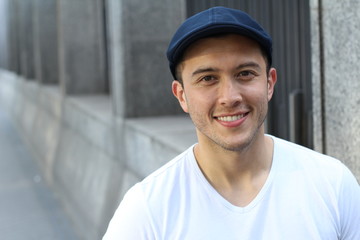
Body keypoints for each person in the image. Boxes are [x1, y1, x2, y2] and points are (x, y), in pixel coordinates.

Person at [103, 6, 360, 239]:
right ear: (182, 95)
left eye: (245, 74)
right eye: (207, 78)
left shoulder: (332, 184)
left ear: (269, 83)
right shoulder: (147, 210)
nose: (230, 97)